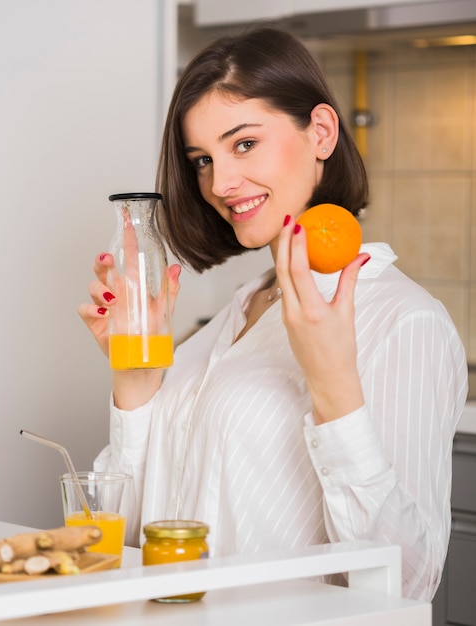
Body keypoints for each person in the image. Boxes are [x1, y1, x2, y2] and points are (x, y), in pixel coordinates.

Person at [78, 27, 468, 602]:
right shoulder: (233, 319)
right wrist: (135, 386)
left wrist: (334, 388)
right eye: (202, 160)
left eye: (243, 144)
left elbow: (406, 585)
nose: (220, 183)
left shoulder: (403, 321)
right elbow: (130, 542)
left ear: (322, 132)